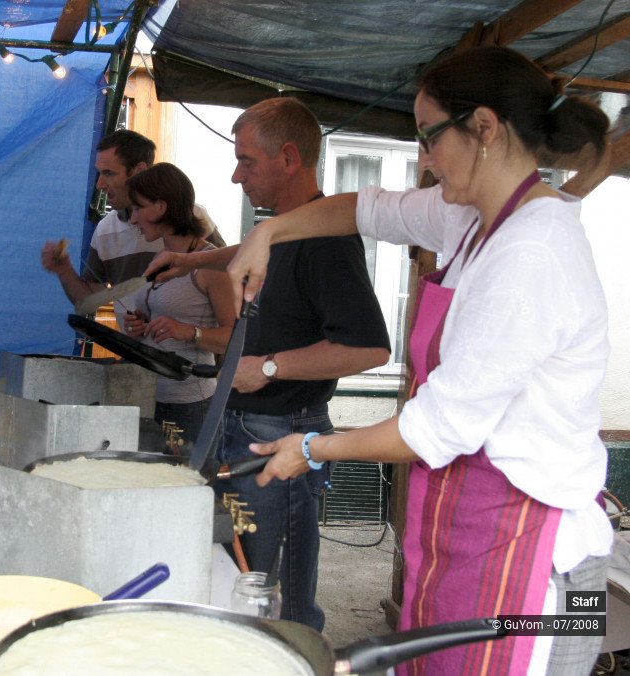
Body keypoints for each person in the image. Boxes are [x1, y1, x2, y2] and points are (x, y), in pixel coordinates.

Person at [221, 46, 613, 675]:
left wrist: (313, 448)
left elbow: (438, 427)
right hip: (474, 529)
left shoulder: (532, 251)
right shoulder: (470, 221)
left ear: (483, 127)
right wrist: (268, 232)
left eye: (429, 139)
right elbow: (365, 207)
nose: (424, 158)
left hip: (548, 571)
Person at [146, 97, 391, 630]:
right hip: (247, 424)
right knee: (244, 576)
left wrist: (270, 367)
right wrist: (192, 259)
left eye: (246, 162)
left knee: (274, 597)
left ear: (287, 157)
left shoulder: (328, 244)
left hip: (280, 435)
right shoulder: (286, 227)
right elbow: (255, 247)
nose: (237, 176)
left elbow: (371, 348)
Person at [41, 129, 224, 330]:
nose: (100, 184)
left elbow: (229, 282)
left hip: (188, 358)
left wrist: (190, 334)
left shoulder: (192, 216)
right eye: (98, 173)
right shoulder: (105, 230)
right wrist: (64, 270)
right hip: (136, 354)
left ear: (139, 171)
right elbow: (88, 302)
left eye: (109, 173)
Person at [120, 163, 236, 445]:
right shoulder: (162, 257)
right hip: (150, 397)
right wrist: (140, 325)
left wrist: (188, 332)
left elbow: (235, 339)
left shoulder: (209, 263)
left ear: (161, 206)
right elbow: (163, 321)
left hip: (191, 404)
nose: (132, 219)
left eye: (137, 208)